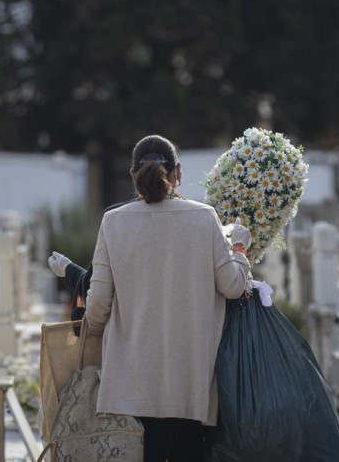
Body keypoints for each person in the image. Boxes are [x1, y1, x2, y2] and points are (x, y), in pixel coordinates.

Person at [80, 134, 252, 462]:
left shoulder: (113, 222)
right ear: (179, 173)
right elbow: (232, 286)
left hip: (133, 377)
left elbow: (98, 304)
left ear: (133, 175)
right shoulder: (204, 217)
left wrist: (92, 327)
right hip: (191, 373)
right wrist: (240, 249)